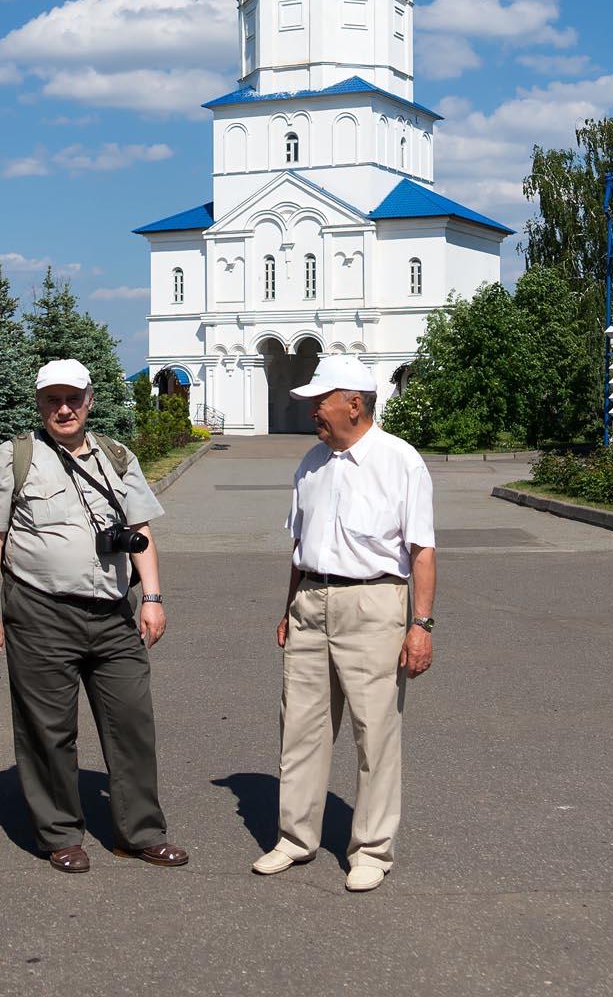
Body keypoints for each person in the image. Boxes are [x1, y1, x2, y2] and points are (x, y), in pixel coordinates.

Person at [0, 359, 189, 874]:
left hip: (113, 613)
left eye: (73, 398)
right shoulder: (13, 458)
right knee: (48, 730)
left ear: (89, 401)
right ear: (39, 404)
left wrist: (153, 597)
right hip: (41, 612)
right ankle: (60, 834)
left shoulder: (116, 456)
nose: (64, 409)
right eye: (53, 400)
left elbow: (140, 530)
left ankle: (140, 833)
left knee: (132, 722)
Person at [253, 354, 436, 894]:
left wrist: (421, 625)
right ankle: (295, 838)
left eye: (321, 400)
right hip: (311, 602)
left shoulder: (400, 461)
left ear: (354, 404)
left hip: (374, 604)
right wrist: (289, 606)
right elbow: (299, 544)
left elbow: (422, 550)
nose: (312, 410)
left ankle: (372, 849)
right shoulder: (311, 462)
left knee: (373, 732)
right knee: (300, 727)